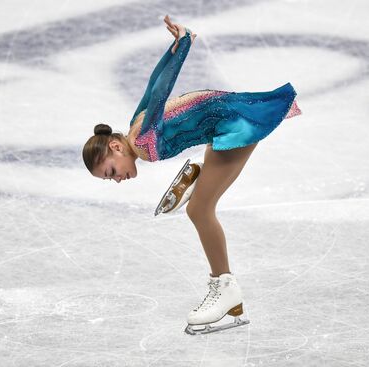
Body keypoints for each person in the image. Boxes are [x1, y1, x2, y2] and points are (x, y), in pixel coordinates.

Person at [82, 15, 301, 334]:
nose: (117, 180)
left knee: (200, 210)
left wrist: (182, 44)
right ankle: (199, 171)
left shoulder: (142, 141)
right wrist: (173, 49)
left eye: (111, 172)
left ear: (116, 147)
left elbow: (161, 91)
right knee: (200, 204)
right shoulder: (135, 127)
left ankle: (226, 291)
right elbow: (152, 84)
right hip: (221, 124)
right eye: (110, 179)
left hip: (233, 125)